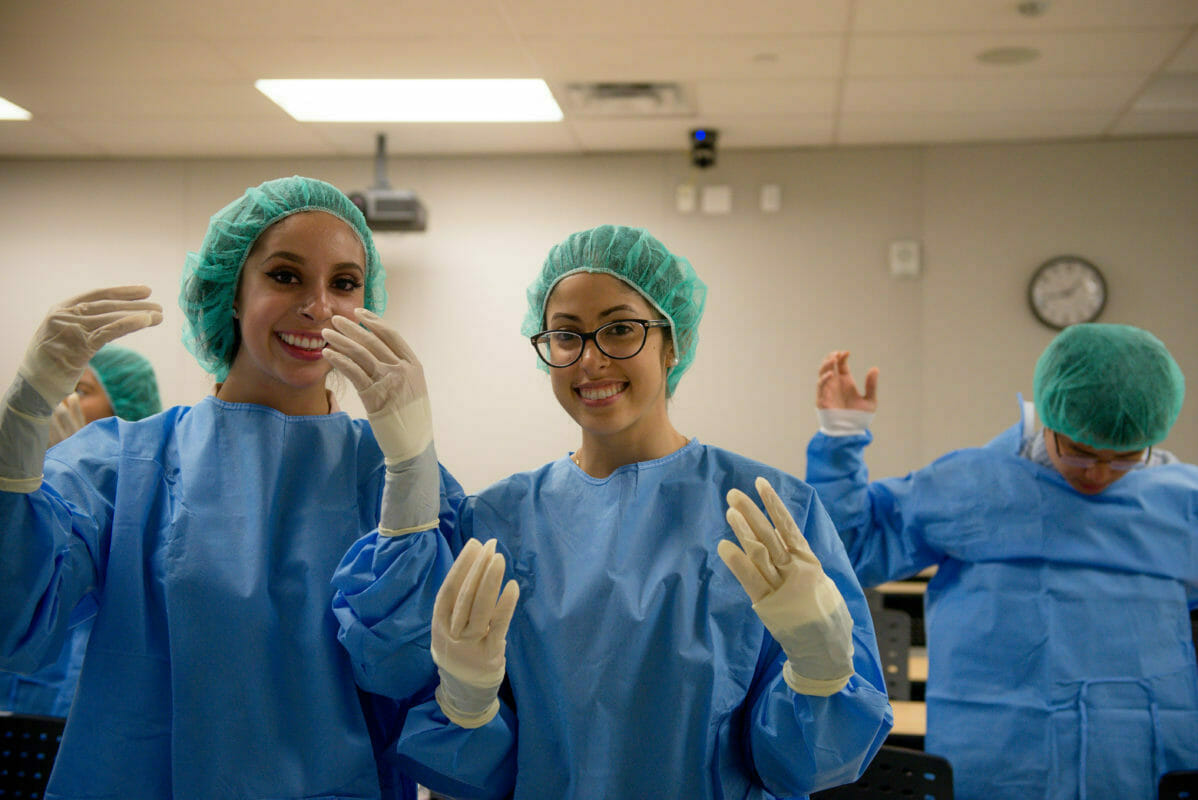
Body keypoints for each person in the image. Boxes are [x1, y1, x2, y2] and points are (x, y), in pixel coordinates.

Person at [334, 225, 893, 799]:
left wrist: (821, 671)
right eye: (566, 336)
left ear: (672, 344)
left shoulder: (767, 512)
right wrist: (468, 704)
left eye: (620, 329)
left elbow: (802, 766)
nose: (591, 360)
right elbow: (484, 776)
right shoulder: (498, 520)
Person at [0, 176, 459, 799]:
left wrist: (412, 472)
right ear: (232, 294)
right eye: (285, 276)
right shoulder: (126, 465)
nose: (319, 307)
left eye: (345, 283)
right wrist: (19, 428)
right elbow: (14, 626)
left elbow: (405, 671)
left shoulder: (391, 474)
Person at [805, 327, 1198, 800]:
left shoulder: (1182, 504)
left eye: (1125, 458)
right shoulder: (974, 486)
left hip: (1141, 766)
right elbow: (850, 547)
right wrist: (841, 435)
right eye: (1081, 452)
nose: (1099, 474)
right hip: (1001, 764)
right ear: (1049, 419)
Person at [0, 344, 162, 718]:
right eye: (64, 387)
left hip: (84, 711)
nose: (64, 400)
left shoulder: (146, 503)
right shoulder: (20, 488)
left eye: (82, 390)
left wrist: (75, 472)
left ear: (124, 411)